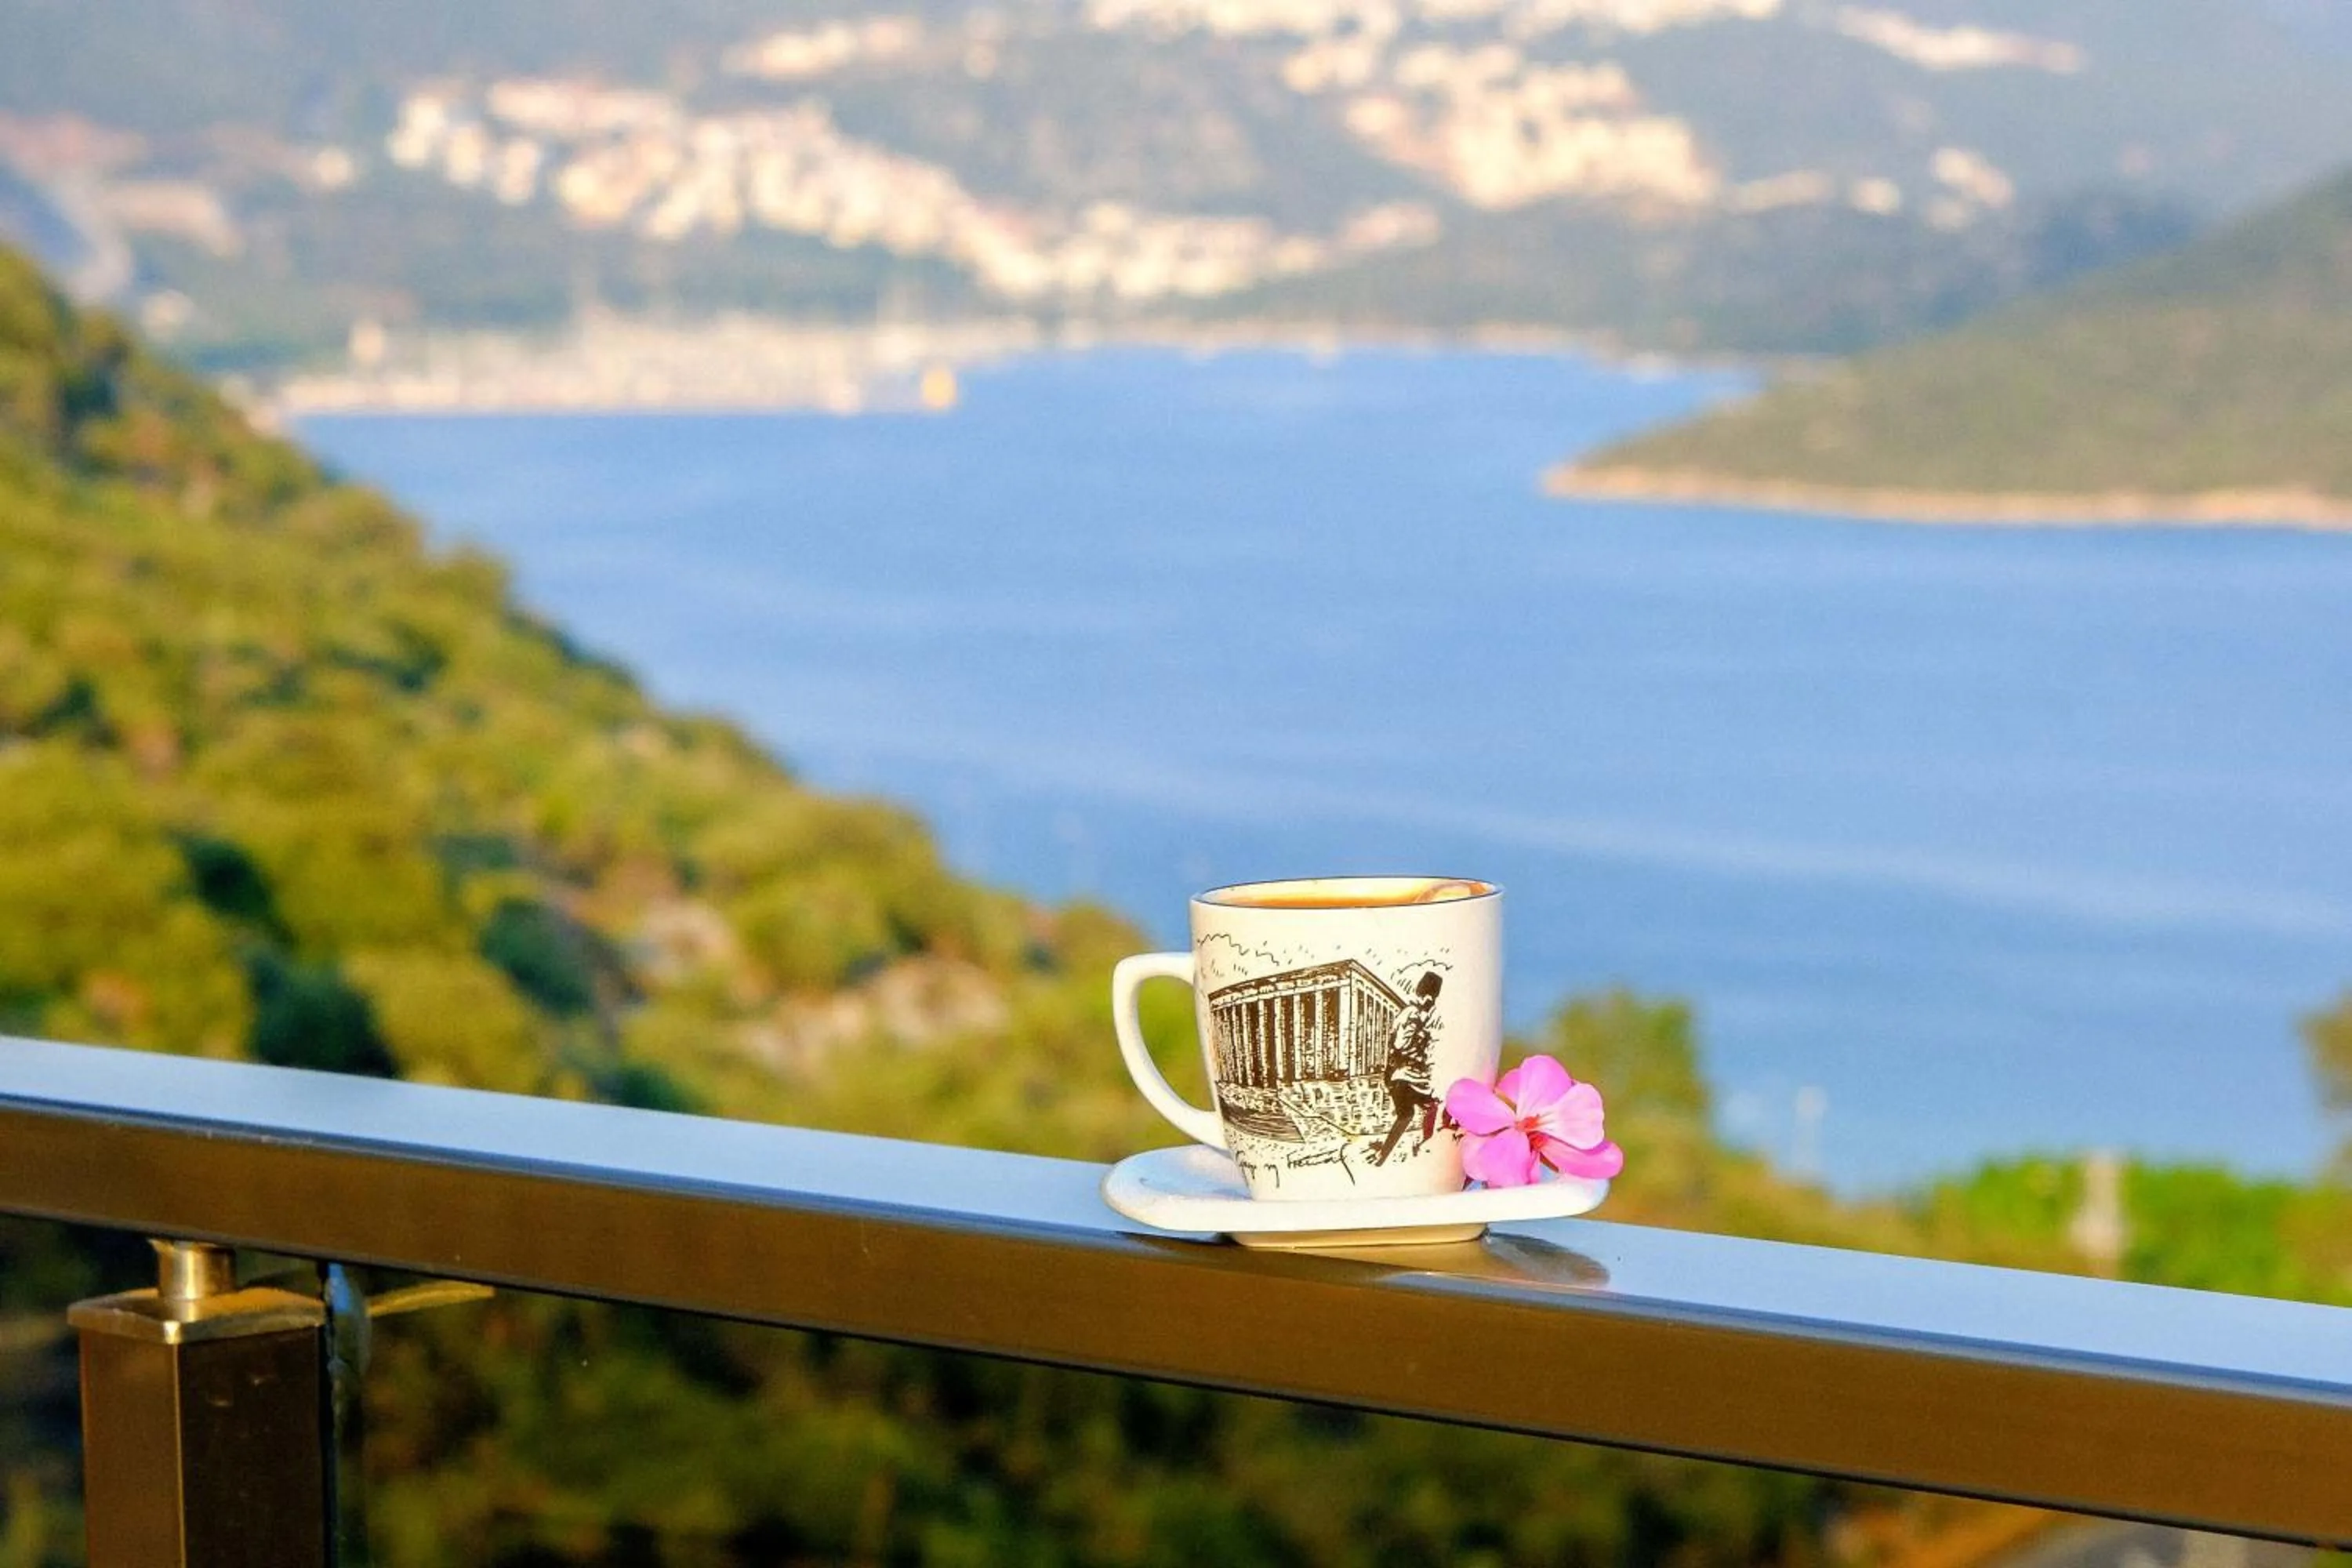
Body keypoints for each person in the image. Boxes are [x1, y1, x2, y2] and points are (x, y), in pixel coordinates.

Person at [1372, 971, 1442, 1166]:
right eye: (1430, 996)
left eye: (1434, 997)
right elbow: (1401, 1044)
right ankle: (1382, 1155)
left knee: (1431, 1105)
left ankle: (1424, 1145)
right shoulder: (1411, 1014)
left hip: (1415, 1075)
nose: (1431, 1001)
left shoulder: (1419, 1015)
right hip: (1401, 1074)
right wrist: (1419, 1034)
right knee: (1406, 1114)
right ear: (1422, 993)